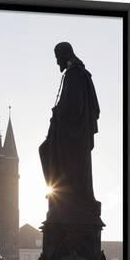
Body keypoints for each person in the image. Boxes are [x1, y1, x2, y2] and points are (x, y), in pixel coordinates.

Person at [39, 42, 100, 210]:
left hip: (72, 135)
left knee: (45, 150)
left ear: (65, 55)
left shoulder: (75, 75)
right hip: (71, 132)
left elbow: (74, 105)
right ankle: (57, 191)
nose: (57, 62)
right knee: (44, 150)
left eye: (58, 58)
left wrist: (58, 112)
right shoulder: (76, 74)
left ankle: (58, 192)